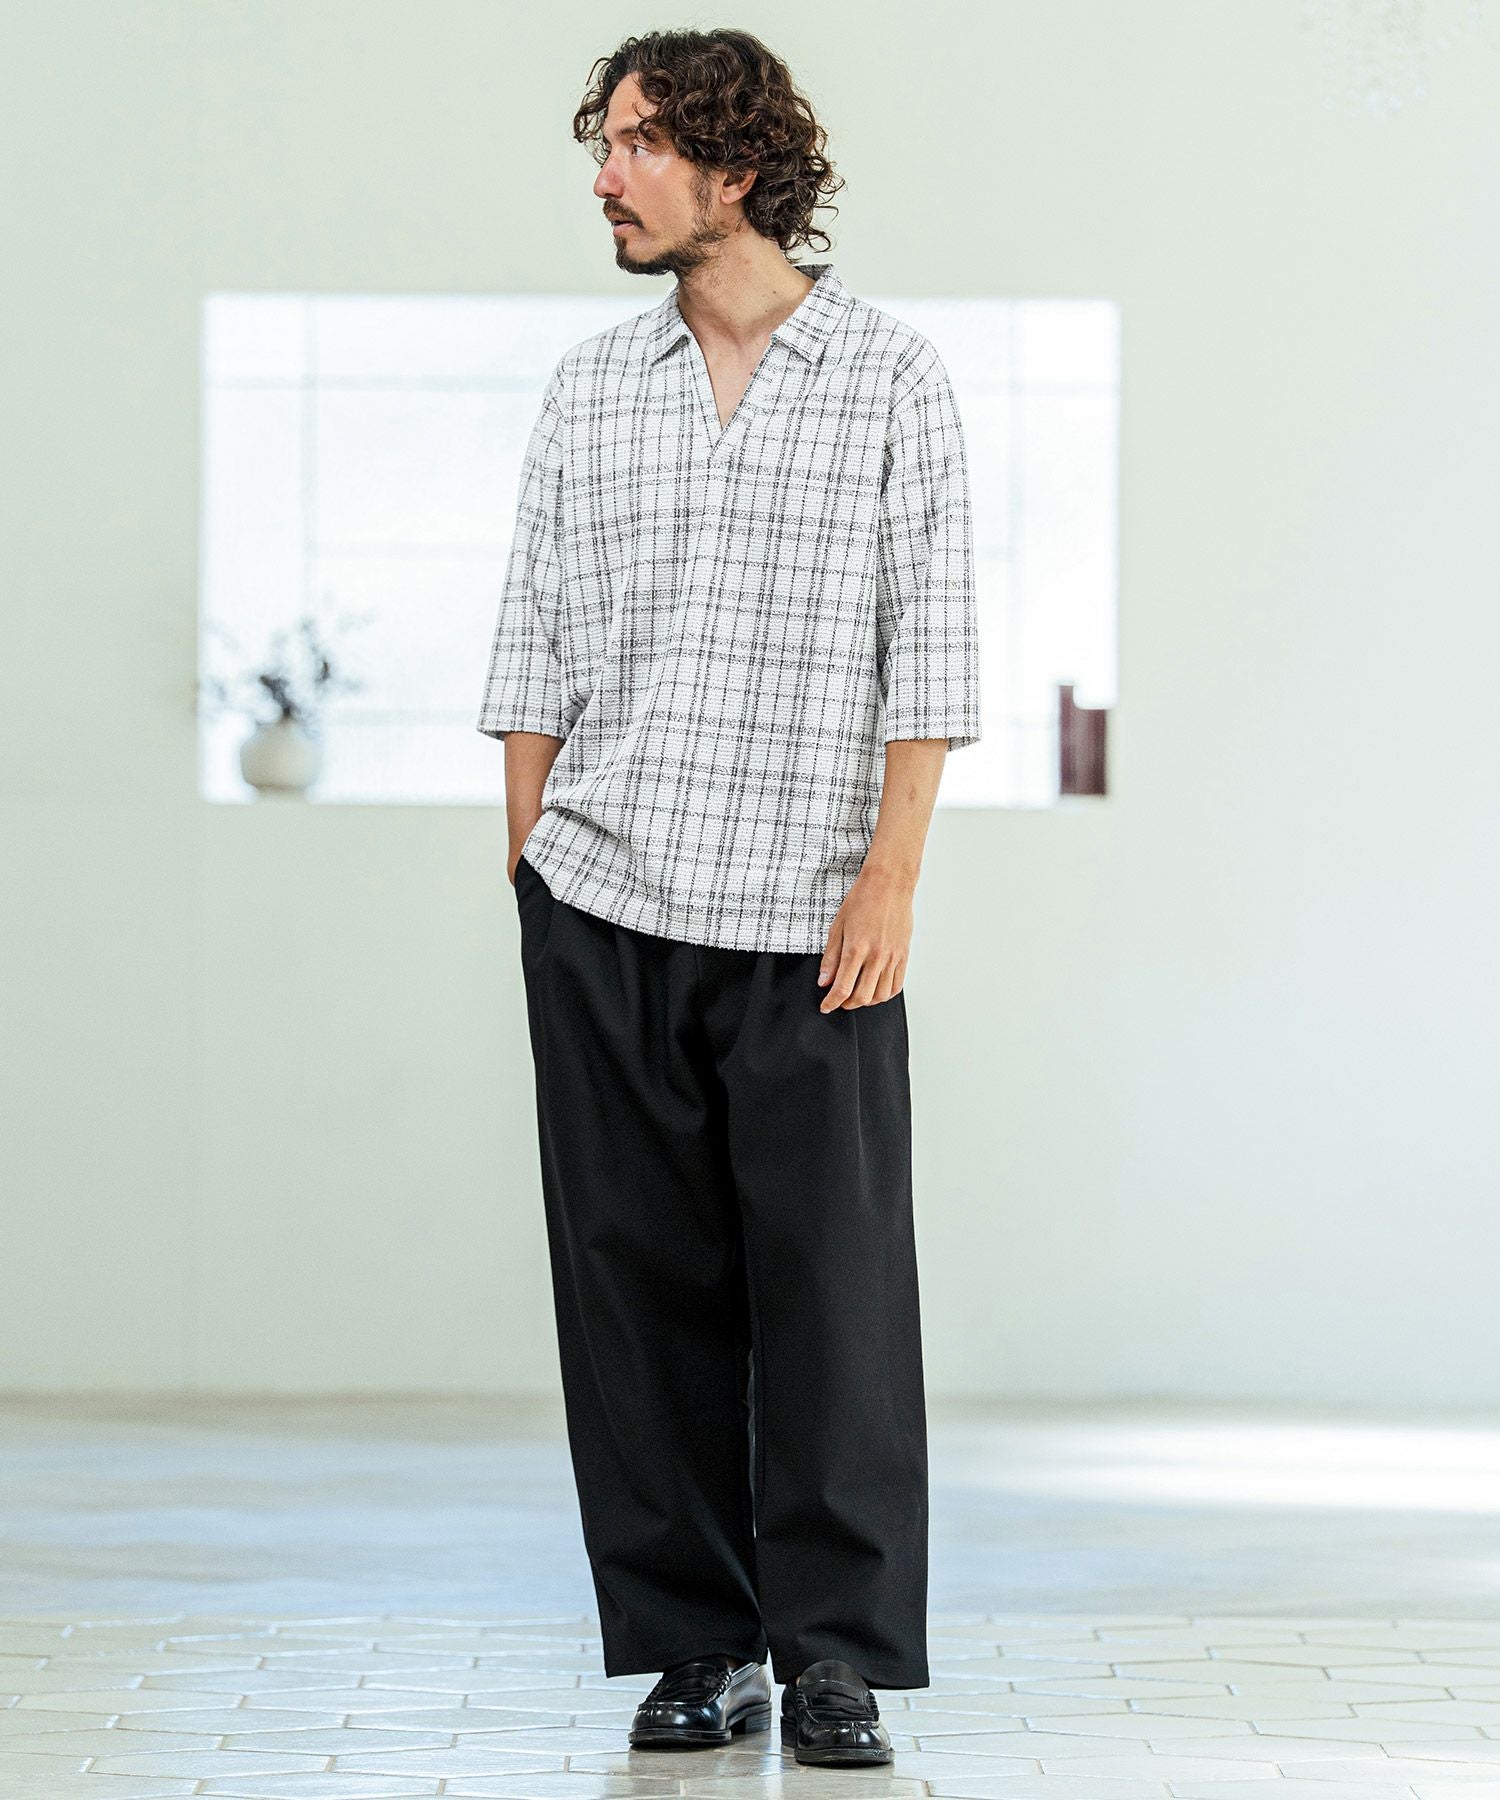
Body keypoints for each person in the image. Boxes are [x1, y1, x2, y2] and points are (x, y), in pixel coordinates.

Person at [477, 26, 980, 1771]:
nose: (603, 178)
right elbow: (532, 634)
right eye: (603, 144)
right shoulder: (592, 389)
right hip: (605, 898)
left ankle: (835, 1655)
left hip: (811, 916)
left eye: (634, 145)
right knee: (636, 1294)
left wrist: (891, 877)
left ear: (735, 170)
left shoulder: (890, 377)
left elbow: (934, 649)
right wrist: (533, 867)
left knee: (836, 1300)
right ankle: (695, 1644)